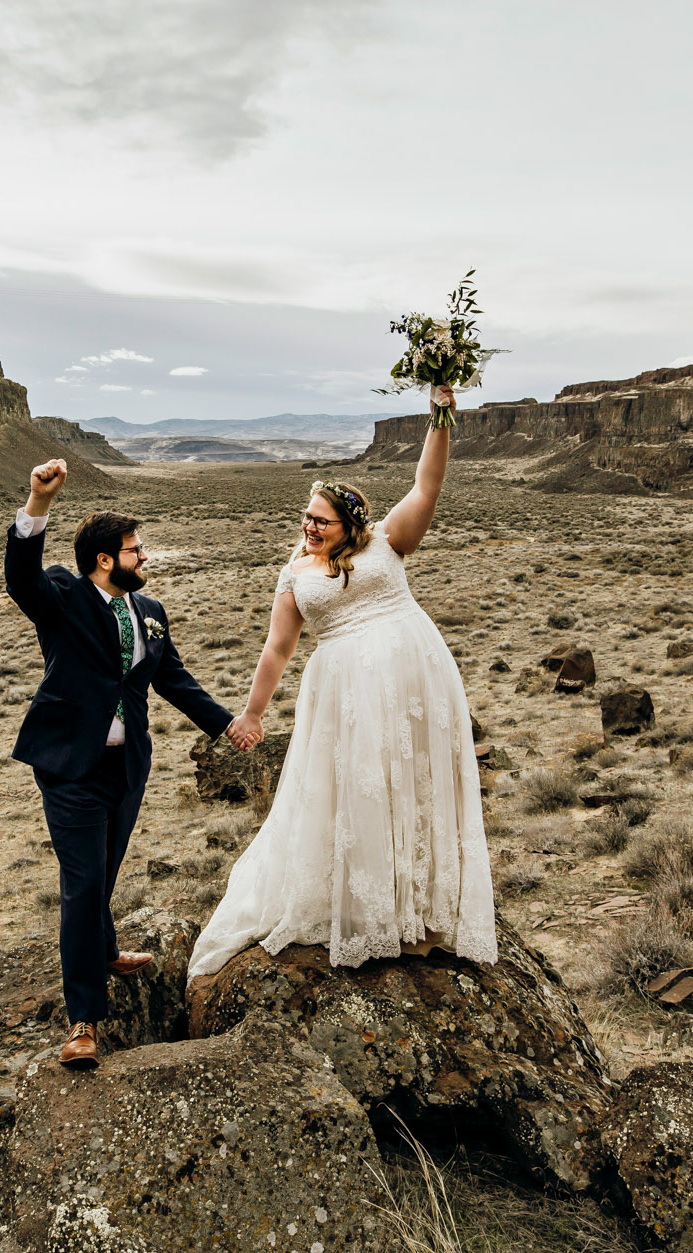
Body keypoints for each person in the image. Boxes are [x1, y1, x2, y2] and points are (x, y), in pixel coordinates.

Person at [189, 385, 496, 980]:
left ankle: (425, 913)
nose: (309, 527)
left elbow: (426, 484)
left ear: (348, 525)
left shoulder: (388, 541)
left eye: (321, 521)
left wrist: (440, 417)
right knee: (364, 787)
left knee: (416, 781)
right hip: (345, 694)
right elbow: (278, 647)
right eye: (306, 517)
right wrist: (251, 714)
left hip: (416, 675)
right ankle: (370, 909)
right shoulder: (294, 573)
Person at [5, 458, 248, 1069]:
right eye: (136, 551)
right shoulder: (61, 595)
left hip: (125, 765)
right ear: (105, 559)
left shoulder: (150, 612)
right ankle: (84, 1019)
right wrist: (38, 502)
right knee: (82, 883)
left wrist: (227, 724)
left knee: (103, 870)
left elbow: (173, 679)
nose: (146, 559)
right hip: (69, 766)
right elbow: (20, 577)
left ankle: (104, 946)